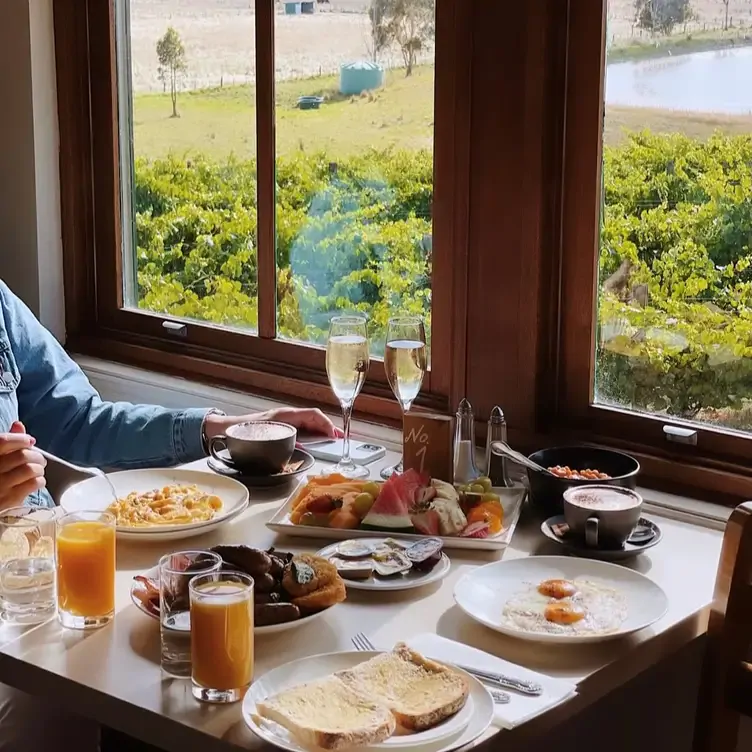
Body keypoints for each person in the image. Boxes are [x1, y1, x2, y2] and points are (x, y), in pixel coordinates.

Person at [0, 279, 337, 750]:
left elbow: (79, 420)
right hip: (17, 613)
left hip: (60, 577)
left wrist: (221, 430)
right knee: (47, 707)